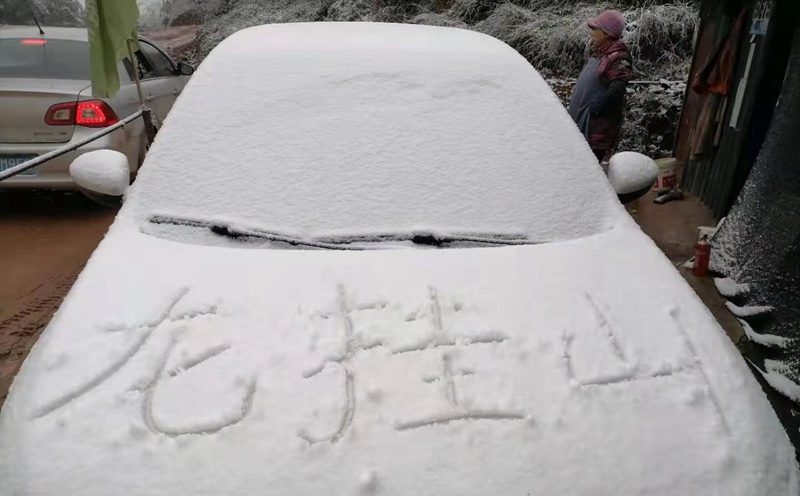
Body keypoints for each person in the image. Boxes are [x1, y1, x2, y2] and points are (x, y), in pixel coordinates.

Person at [568, 10, 633, 163]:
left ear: (606, 33)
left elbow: (617, 88)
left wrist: (596, 107)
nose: (592, 34)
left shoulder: (619, 57)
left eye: (595, 30)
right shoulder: (601, 55)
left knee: (588, 169)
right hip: (581, 123)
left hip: (595, 130)